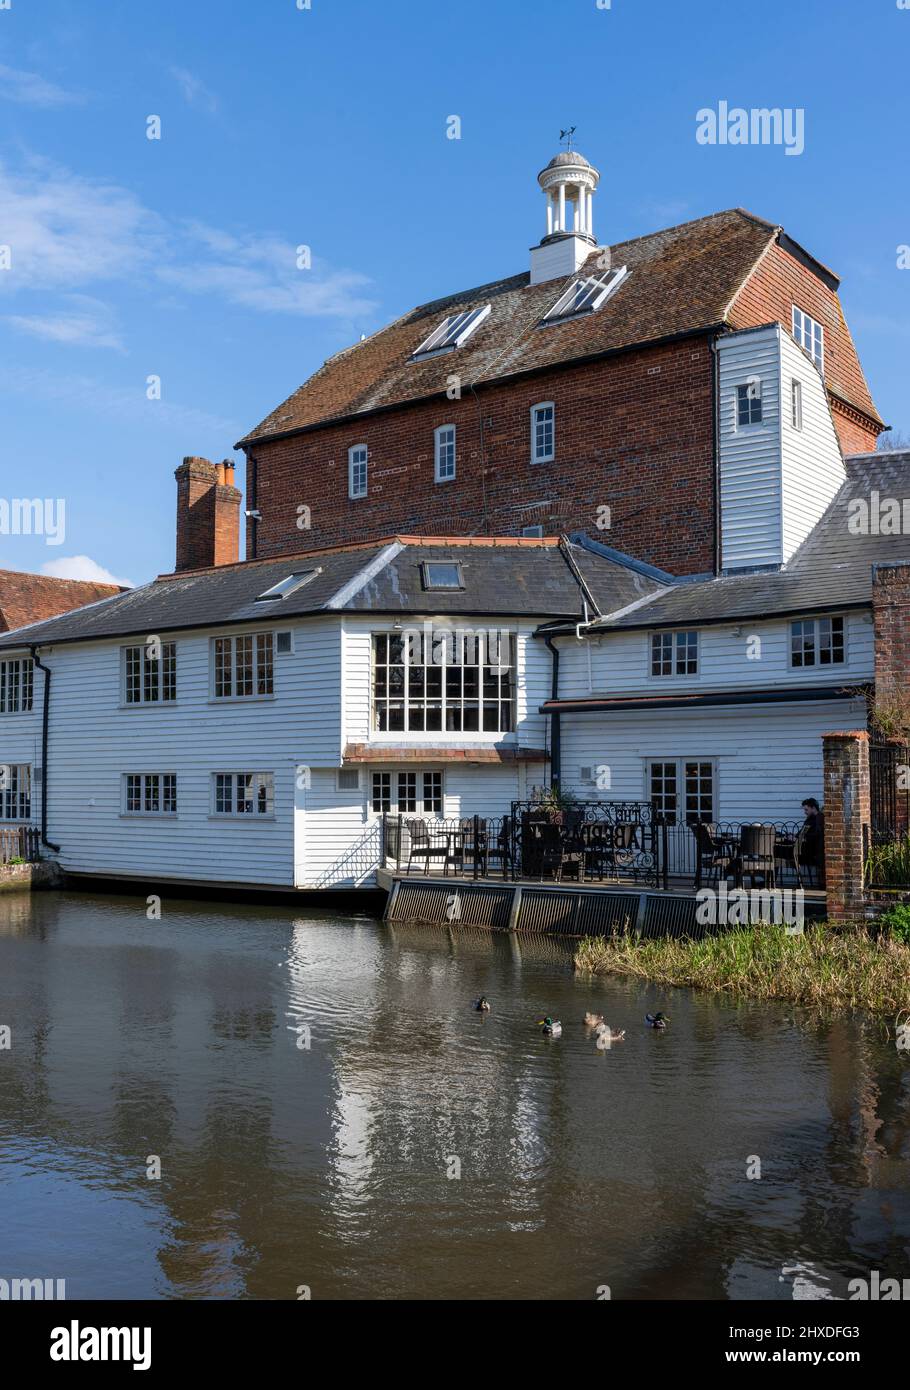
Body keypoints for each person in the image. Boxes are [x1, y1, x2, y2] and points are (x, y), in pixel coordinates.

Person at [799, 797, 825, 884]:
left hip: (809, 851)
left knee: (775, 850)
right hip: (807, 848)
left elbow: (815, 835)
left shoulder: (818, 819)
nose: (805, 812)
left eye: (806, 809)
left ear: (813, 808)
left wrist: (803, 838)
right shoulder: (813, 819)